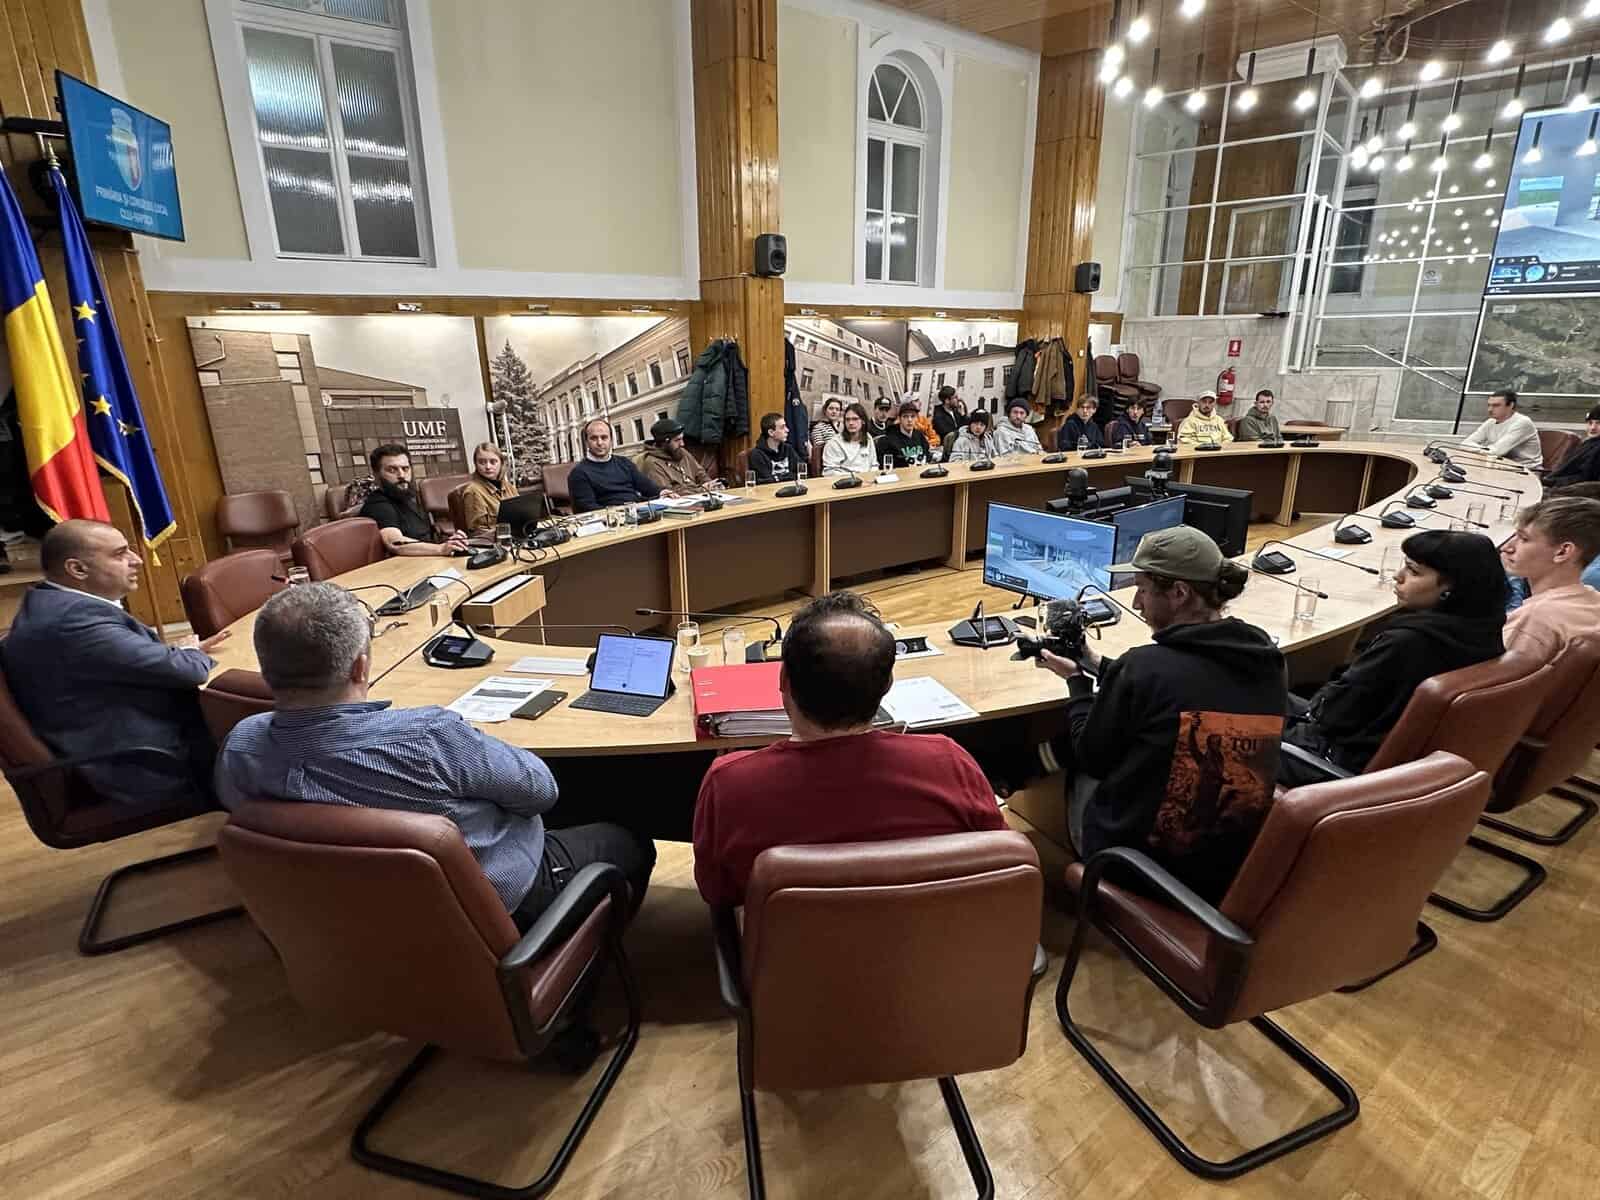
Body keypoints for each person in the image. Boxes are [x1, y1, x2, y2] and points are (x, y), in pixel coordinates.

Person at [216, 583, 655, 930]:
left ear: (266, 668)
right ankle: (574, 976)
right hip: (498, 905)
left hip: (350, 915)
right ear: (360, 667)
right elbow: (541, 792)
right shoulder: (429, 737)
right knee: (631, 837)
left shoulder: (240, 747)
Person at [691, 591, 1005, 908]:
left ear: (783, 679)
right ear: (887, 684)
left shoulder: (728, 783)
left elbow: (717, 891)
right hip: (933, 936)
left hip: (795, 941)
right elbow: (999, 859)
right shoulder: (949, 761)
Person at [1033, 526, 1286, 903]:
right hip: (1231, 862)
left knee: (1075, 755)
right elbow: (1183, 682)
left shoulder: (1143, 669)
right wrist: (1097, 663)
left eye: (1143, 589)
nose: (1137, 603)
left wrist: (1077, 684)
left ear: (1180, 593)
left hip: (1144, 867)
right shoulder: (1266, 657)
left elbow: (1092, 758)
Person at [3, 519, 227, 804]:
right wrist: (190, 652)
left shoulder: (53, 603)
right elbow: (188, 671)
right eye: (120, 554)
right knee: (261, 733)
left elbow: (129, 660)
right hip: (146, 763)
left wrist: (179, 653)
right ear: (77, 569)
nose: (137, 560)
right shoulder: (74, 622)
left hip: (134, 733)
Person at [1278, 531, 1507, 787]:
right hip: (1392, 760)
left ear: (1451, 588)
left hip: (1332, 760)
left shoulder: (1407, 643)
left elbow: (1331, 715)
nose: (1399, 576)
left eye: (1414, 571)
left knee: (1246, 699)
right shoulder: (1485, 630)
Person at [1501, 496, 1600, 659]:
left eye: (1524, 539)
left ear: (1562, 552)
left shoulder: (1534, 619)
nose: (1507, 547)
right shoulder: (1595, 602)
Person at [360, 445, 470, 556]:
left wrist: (451, 542)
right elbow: (395, 543)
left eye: (405, 469)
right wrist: (440, 549)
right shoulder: (378, 505)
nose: (402, 475)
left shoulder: (408, 497)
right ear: (376, 474)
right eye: (392, 470)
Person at [568, 418, 666, 512]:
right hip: (610, 519)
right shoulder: (579, 473)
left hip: (638, 512)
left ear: (611, 440)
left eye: (604, 437)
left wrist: (662, 493)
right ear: (586, 442)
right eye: (594, 438)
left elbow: (647, 487)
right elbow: (588, 508)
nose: (600, 443)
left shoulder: (624, 463)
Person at [1460, 389, 1542, 467]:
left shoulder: (1522, 422)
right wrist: (1486, 449)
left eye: (1496, 405)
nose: (1490, 409)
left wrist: (1483, 449)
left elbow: (1496, 451)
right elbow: (1464, 444)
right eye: (1489, 405)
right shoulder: (1490, 422)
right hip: (1501, 464)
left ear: (1511, 405)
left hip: (1526, 469)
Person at [456, 442, 519, 537]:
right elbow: (477, 532)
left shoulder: (508, 486)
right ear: (476, 464)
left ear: (501, 463)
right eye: (482, 462)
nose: (488, 467)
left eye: (493, 462)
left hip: (517, 536)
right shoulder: (473, 492)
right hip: (494, 542)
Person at [640, 417, 711, 493]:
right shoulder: (652, 463)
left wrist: (710, 484)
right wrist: (701, 489)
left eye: (682, 439)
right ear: (664, 443)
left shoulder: (681, 451)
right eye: (677, 440)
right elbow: (669, 494)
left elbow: (700, 474)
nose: (682, 444)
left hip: (702, 495)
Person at [1544, 405, 1600, 487]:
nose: (1593, 428)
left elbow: (1585, 479)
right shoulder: (1589, 443)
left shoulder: (1597, 448)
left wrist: (1550, 482)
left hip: (1570, 490)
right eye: (1590, 423)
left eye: (1598, 423)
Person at [822, 402, 878, 475]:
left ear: (863, 421)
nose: (851, 423)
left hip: (867, 479)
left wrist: (871, 476)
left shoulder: (868, 437)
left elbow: (874, 464)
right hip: (845, 480)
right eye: (847, 419)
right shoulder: (834, 443)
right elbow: (829, 472)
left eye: (855, 419)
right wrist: (853, 477)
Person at [748, 412, 804, 483]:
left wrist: (777, 478)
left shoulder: (788, 448)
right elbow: (766, 482)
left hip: (790, 488)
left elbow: (801, 470)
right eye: (782, 427)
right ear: (771, 432)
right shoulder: (757, 454)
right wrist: (790, 476)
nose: (787, 430)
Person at [875, 401, 933, 468]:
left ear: (916, 418)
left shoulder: (919, 435)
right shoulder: (888, 440)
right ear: (899, 419)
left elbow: (927, 456)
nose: (909, 420)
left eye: (913, 416)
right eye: (905, 416)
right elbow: (886, 466)